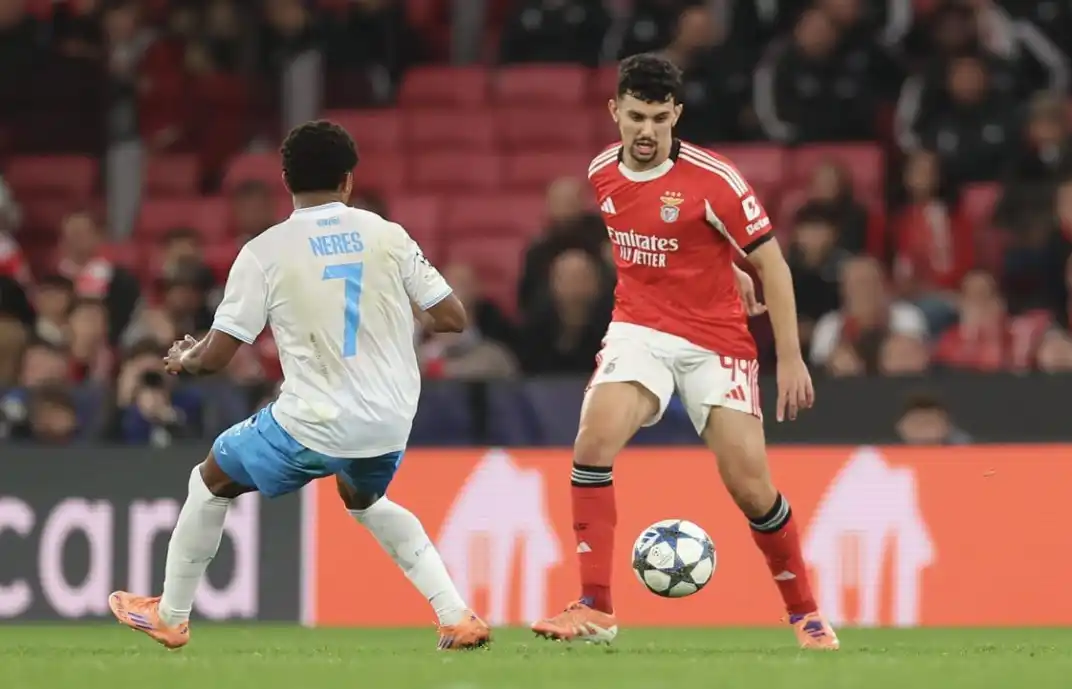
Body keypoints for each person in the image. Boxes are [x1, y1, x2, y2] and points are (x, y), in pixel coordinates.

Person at [106, 120, 490, 651]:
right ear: (348, 180)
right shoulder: (388, 235)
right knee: (364, 500)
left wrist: (185, 358)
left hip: (314, 420)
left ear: (285, 180)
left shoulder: (265, 250)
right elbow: (452, 318)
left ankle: (170, 616)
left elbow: (217, 356)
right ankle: (455, 615)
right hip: (389, 418)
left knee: (210, 479)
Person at [530, 54, 836, 650]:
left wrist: (792, 356)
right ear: (614, 112)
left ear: (676, 115)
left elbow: (773, 265)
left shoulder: (715, 179)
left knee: (751, 488)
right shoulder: (601, 171)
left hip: (714, 340)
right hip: (639, 328)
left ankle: (805, 614)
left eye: (658, 119)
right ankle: (595, 607)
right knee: (593, 441)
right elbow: (658, 238)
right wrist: (720, 262)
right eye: (635, 117)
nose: (646, 131)